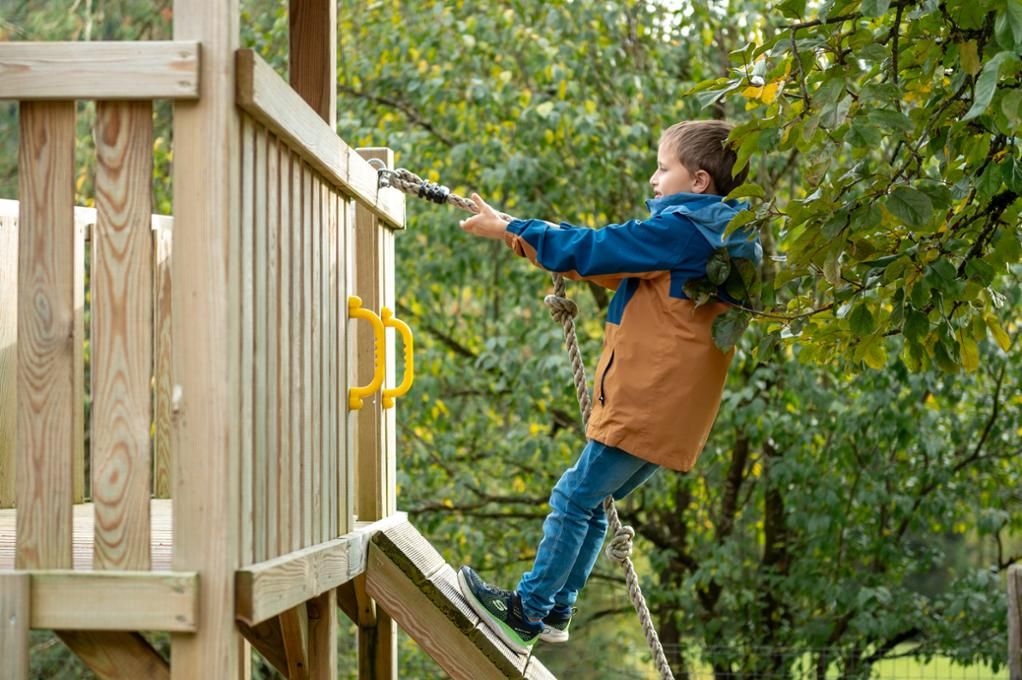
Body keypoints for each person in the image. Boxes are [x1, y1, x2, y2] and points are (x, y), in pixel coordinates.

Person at [455, 119, 762, 654]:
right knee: (593, 501)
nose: (653, 179)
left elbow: (599, 248)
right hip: (675, 411)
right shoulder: (720, 239)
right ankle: (556, 608)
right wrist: (520, 234)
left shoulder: (683, 231)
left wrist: (516, 228)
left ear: (699, 181)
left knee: (573, 497)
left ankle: (526, 611)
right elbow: (613, 264)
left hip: (647, 399)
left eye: (663, 168)